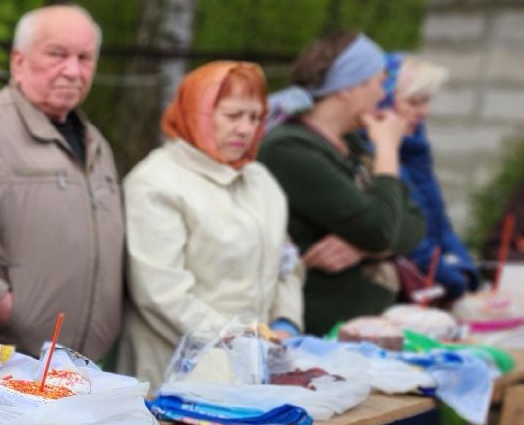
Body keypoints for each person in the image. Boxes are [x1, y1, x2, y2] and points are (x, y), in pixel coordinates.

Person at [0, 4, 125, 360]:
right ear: (18, 61)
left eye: (85, 58)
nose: (72, 70)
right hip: (0, 365)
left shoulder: (96, 143)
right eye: (57, 54)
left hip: (79, 369)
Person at [120, 62, 303, 382]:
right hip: (180, 373)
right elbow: (161, 293)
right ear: (197, 113)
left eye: (255, 117)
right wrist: (244, 341)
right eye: (233, 116)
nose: (246, 129)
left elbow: (286, 265)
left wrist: (286, 324)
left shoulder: (261, 181)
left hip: (260, 365)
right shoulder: (155, 181)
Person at [258, 31, 422, 338]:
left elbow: (414, 221)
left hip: (358, 331)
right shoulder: (290, 149)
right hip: (314, 334)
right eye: (378, 82)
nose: (380, 93)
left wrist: (363, 249)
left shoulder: (352, 143)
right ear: (348, 88)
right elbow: (380, 228)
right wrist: (387, 150)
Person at [383, 54, 477, 302]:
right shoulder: (378, 154)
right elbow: (408, 235)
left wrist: (465, 268)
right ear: (384, 102)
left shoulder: (415, 150)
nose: (424, 112)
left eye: (426, 102)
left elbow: (439, 223)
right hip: (400, 295)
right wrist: (456, 281)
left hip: (435, 285)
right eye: (414, 102)